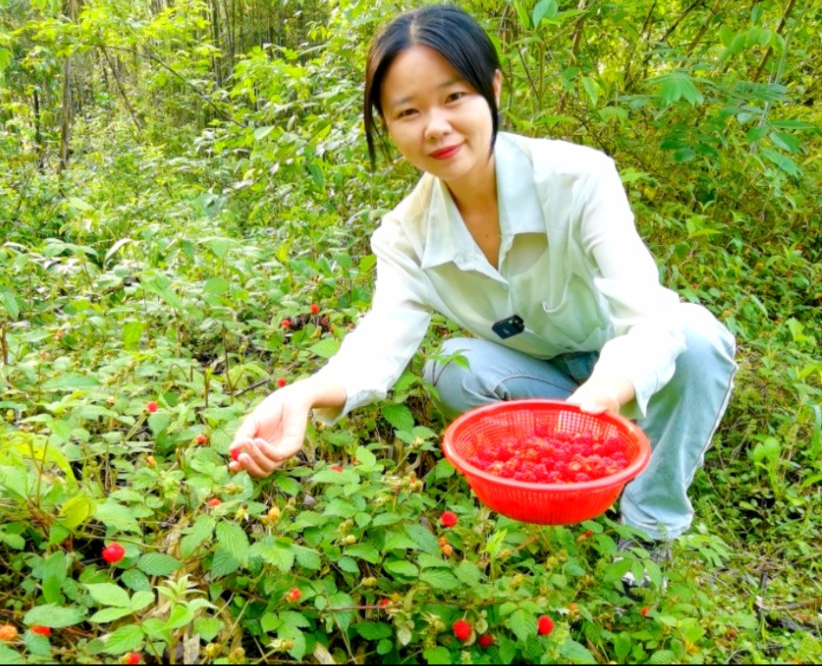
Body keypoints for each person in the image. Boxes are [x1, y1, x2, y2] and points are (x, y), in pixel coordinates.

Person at [227, 5, 737, 563]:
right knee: (450, 367)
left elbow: (648, 316)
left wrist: (606, 393)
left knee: (695, 335)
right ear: (387, 125)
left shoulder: (578, 178)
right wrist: (300, 395)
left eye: (454, 97)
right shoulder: (405, 235)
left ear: (493, 88)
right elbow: (379, 343)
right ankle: (583, 469)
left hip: (615, 370)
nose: (436, 126)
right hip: (540, 378)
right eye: (408, 111)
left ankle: (647, 530)